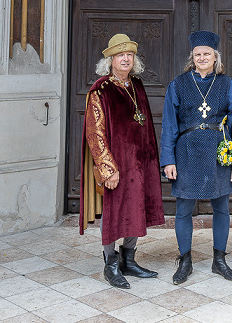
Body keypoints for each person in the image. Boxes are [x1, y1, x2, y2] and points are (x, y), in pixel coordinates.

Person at [161, 31, 232, 284]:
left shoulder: (228, 85)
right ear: (193, 57)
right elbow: (169, 125)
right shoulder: (178, 84)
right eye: (197, 54)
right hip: (186, 152)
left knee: (221, 208)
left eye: (206, 54)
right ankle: (185, 261)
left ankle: (219, 261)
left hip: (218, 153)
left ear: (215, 57)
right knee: (183, 209)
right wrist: (168, 160)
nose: (202, 58)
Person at [79, 33, 165, 289]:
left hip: (139, 162)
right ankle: (111, 263)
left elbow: (145, 122)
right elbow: (95, 132)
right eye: (120, 55)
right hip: (116, 164)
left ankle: (129, 259)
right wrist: (107, 167)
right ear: (110, 60)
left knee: (135, 209)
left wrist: (150, 159)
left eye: (129, 55)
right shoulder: (101, 89)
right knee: (114, 212)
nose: (126, 59)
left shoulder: (137, 84)